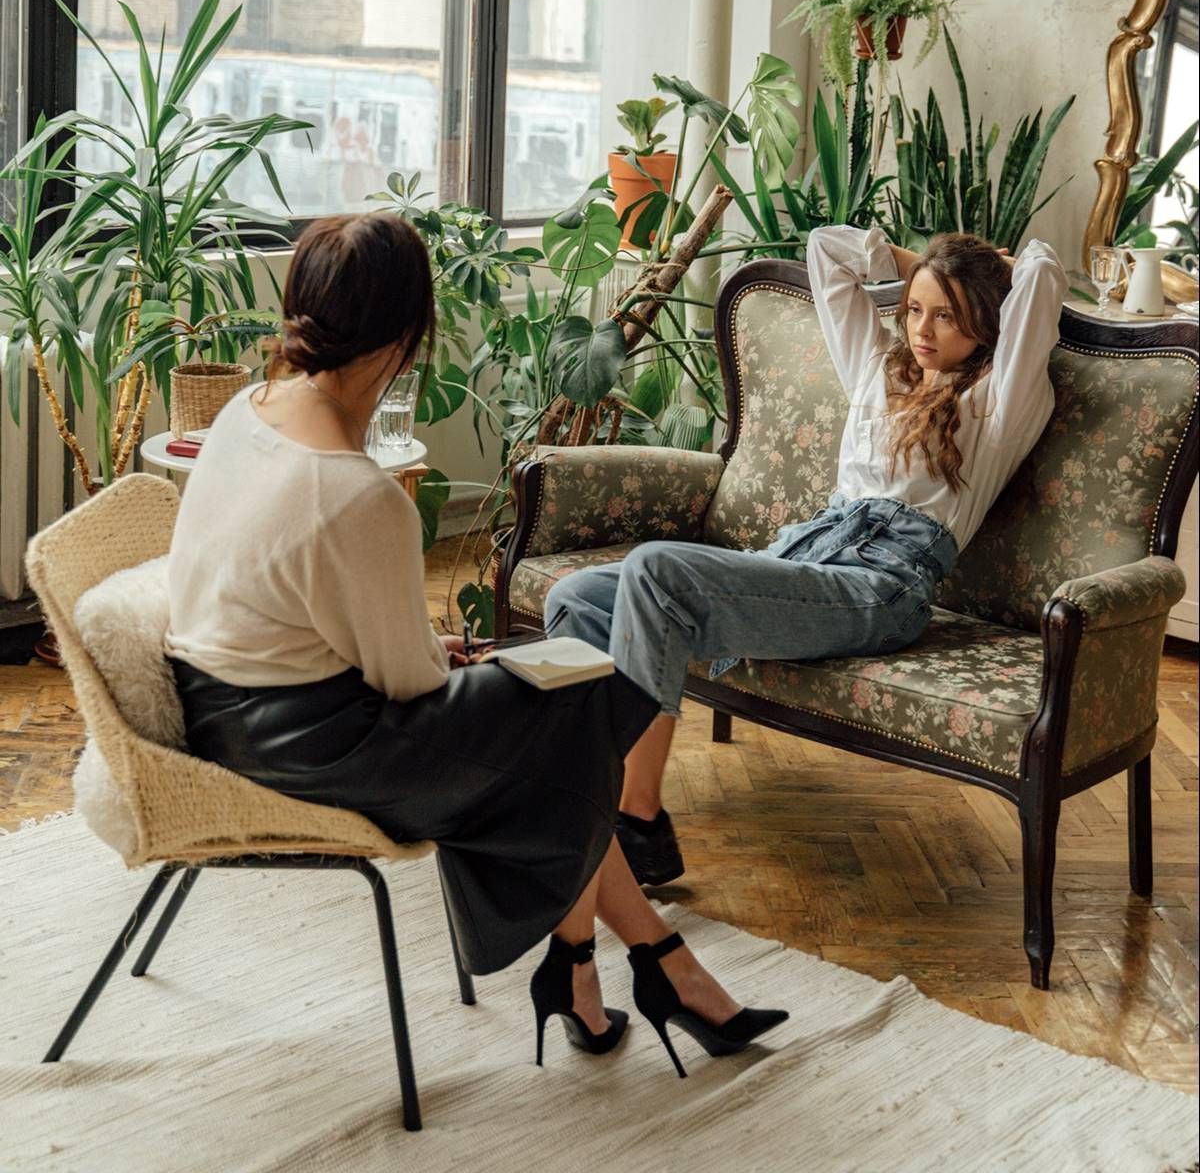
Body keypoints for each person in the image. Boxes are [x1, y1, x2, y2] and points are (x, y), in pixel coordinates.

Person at [164, 212, 786, 1078]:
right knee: (576, 709)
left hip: (219, 711)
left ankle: (622, 971)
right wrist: (462, 660)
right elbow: (411, 683)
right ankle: (641, 970)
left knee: (564, 709)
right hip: (312, 749)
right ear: (405, 338)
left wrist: (452, 663)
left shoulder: (244, 411)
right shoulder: (353, 492)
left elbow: (311, 617)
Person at [546, 224, 1067, 886]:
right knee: (576, 598)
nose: (922, 329)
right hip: (806, 557)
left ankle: (637, 824)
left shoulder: (1000, 399)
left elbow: (1044, 276)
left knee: (655, 569)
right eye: (914, 309)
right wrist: (927, 268)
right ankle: (578, 794)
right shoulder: (879, 369)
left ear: (987, 322)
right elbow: (828, 249)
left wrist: (973, 270)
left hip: (881, 586)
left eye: (946, 315)